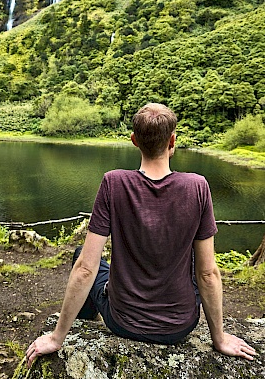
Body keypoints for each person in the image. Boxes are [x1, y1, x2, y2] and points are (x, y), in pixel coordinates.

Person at [26, 103, 256, 368]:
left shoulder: (114, 182)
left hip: (122, 322)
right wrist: (220, 338)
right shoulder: (197, 186)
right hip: (179, 326)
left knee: (82, 255)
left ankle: (83, 325)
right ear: (173, 141)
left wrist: (57, 337)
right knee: (191, 265)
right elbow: (207, 274)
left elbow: (86, 270)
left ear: (134, 140)